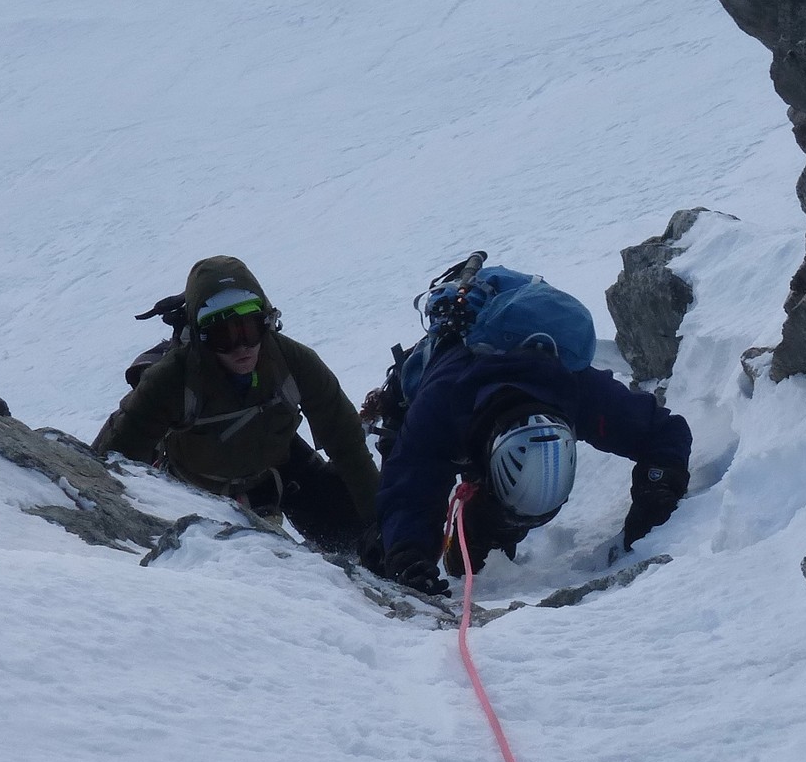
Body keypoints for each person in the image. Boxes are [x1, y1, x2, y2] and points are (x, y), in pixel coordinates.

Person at [93, 255, 379, 555]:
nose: (241, 346)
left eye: (250, 330)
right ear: (201, 337)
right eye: (223, 336)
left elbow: (347, 445)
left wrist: (382, 524)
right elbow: (113, 461)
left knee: (358, 531)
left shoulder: (294, 363)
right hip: (191, 490)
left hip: (274, 471)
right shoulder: (171, 380)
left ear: (267, 322)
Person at [376, 340, 693, 595]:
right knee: (381, 546)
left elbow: (664, 432)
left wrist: (658, 485)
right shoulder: (437, 410)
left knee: (487, 544)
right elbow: (407, 491)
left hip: (488, 417)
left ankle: (483, 537)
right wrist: (408, 554)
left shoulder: (578, 390)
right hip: (445, 395)